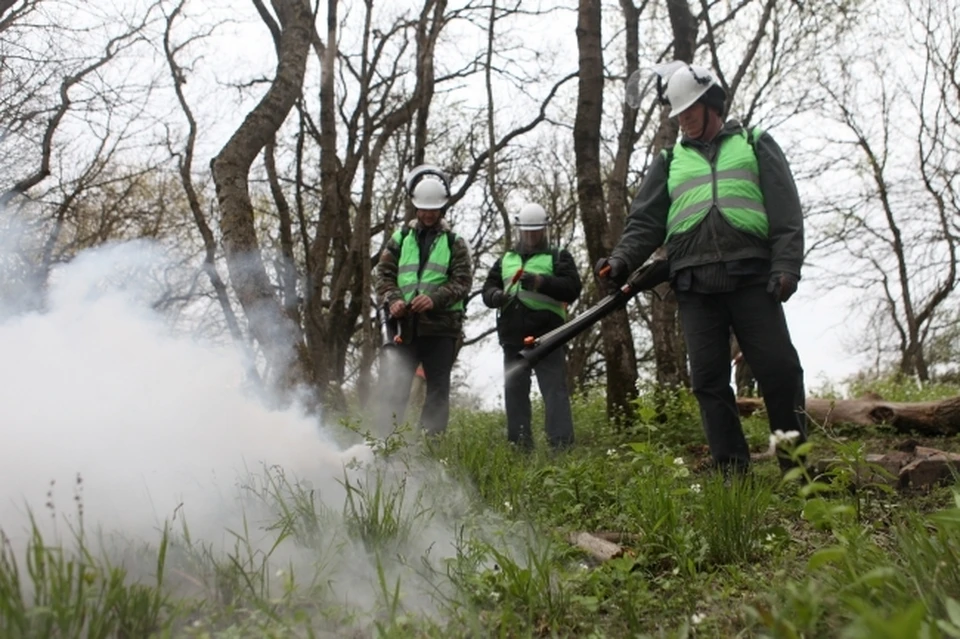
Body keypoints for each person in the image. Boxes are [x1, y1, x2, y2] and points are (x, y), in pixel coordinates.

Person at [595, 62, 807, 476]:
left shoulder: (754, 143)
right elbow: (645, 222)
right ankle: (732, 471)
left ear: (712, 104)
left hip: (751, 279)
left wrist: (786, 265)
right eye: (679, 115)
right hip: (693, 284)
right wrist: (621, 259)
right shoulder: (670, 159)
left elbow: (786, 211)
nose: (684, 121)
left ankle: (796, 467)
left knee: (779, 371)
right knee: (708, 382)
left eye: (690, 111)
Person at [375, 166, 472, 436]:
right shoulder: (400, 239)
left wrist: (433, 299)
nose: (428, 214)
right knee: (396, 388)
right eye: (423, 209)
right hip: (405, 328)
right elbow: (383, 275)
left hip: (441, 329)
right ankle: (386, 446)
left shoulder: (456, 243)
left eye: (434, 209)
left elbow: (463, 282)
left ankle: (430, 448)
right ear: (415, 207)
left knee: (438, 390)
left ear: (442, 209)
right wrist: (393, 299)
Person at [482, 203, 582, 451]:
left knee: (554, 392)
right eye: (527, 232)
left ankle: (561, 447)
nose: (531, 236)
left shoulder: (558, 257)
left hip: (548, 335)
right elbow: (488, 289)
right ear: (519, 231)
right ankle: (520, 447)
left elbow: (572, 288)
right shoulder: (506, 259)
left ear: (544, 230)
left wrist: (540, 282)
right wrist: (495, 296)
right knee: (515, 394)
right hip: (512, 335)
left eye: (536, 231)